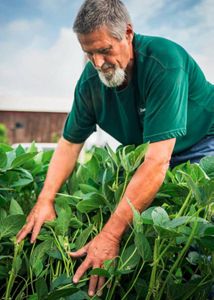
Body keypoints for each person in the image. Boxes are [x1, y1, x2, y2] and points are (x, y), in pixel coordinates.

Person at [17, 0, 214, 297]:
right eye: (88, 52)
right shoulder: (90, 85)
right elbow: (70, 144)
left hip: (204, 142)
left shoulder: (164, 61)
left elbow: (157, 163)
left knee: (202, 236)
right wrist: (45, 199)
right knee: (154, 235)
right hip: (152, 154)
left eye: (105, 50)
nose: (97, 62)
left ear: (128, 34)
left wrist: (109, 235)